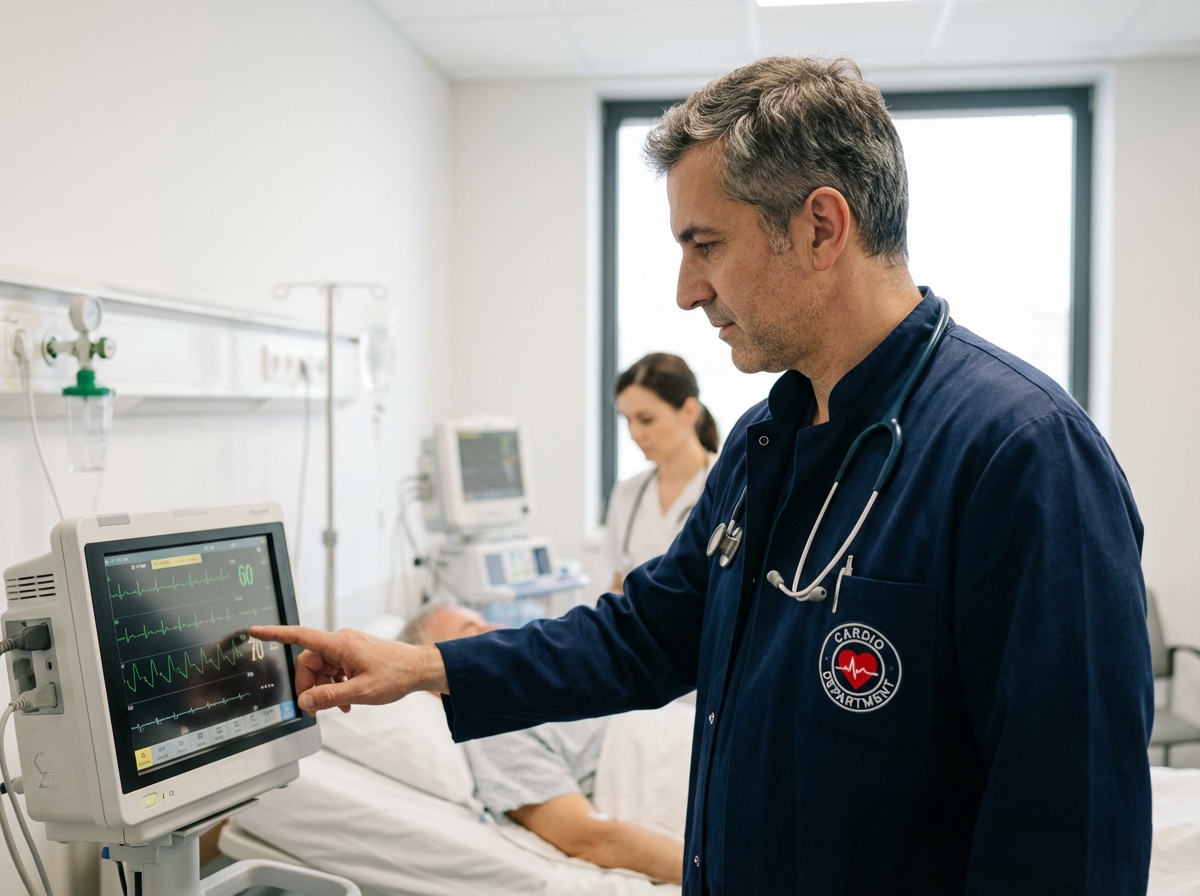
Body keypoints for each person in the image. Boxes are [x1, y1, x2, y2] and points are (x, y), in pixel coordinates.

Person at [255, 55, 1154, 894]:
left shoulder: (1021, 455)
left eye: (705, 244)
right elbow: (643, 636)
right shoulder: (767, 440)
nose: (687, 291)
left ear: (820, 227)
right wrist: (422, 665)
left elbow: (1069, 830)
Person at [401, 602, 686, 884]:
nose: (496, 630)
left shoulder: (539, 686)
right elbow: (588, 837)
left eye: (483, 620)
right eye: (471, 633)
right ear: (436, 683)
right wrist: (713, 876)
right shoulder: (495, 732)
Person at [604, 353, 718, 591]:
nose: (634, 433)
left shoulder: (729, 485)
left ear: (689, 411)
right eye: (627, 420)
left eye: (646, 419)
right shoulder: (627, 493)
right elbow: (618, 586)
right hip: (635, 628)